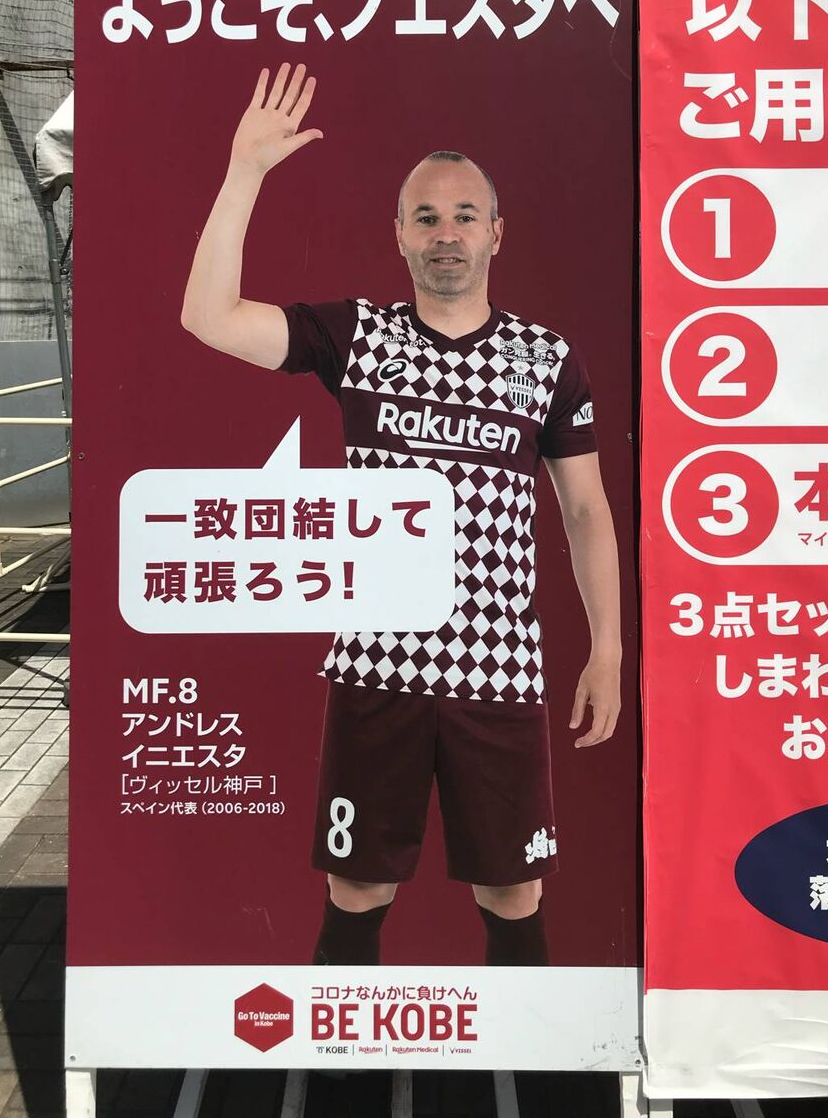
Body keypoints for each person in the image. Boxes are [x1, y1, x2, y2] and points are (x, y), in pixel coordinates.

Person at [181, 63, 622, 967]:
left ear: (496, 233)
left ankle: (523, 1045)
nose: (445, 233)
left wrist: (608, 648)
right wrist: (244, 173)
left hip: (500, 669)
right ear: (399, 237)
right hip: (376, 661)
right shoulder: (359, 336)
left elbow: (585, 508)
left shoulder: (546, 358)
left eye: (464, 216)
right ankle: (342, 1046)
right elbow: (209, 318)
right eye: (425, 217)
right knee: (357, 888)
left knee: (514, 891)